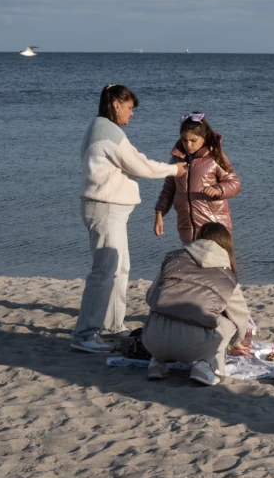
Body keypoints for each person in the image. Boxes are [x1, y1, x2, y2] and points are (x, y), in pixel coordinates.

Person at [71, 85, 187, 353]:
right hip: (105, 207)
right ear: (115, 104)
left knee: (120, 269)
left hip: (108, 208)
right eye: (129, 107)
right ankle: (85, 334)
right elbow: (139, 164)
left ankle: (112, 325)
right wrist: (174, 169)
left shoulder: (100, 127)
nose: (132, 114)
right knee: (104, 271)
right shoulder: (106, 130)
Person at [143, 222, 250, 386]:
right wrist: (236, 342)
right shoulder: (227, 275)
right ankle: (205, 365)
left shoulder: (173, 259)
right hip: (193, 346)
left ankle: (157, 363)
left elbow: (151, 298)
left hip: (152, 340)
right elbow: (241, 316)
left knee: (160, 311)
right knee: (231, 323)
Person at [154, 112, 241, 245]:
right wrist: (159, 213)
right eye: (184, 140)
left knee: (216, 265)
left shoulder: (215, 156)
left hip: (215, 228)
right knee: (190, 265)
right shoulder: (176, 159)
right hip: (187, 230)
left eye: (193, 140)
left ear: (204, 137)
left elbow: (234, 183)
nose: (188, 145)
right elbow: (168, 189)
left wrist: (218, 189)